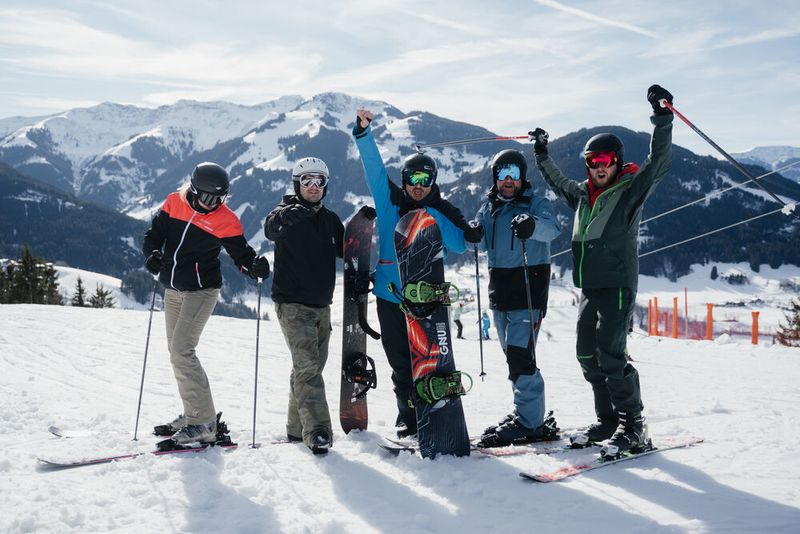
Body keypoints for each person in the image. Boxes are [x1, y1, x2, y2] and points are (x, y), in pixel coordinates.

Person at [532, 84, 674, 455]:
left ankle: (634, 425)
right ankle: (608, 420)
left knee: (611, 355)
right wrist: (542, 154)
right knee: (585, 353)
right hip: (590, 287)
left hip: (617, 287)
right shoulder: (581, 196)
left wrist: (662, 117)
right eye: (593, 162)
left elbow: (658, 164)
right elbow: (558, 181)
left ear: (616, 161)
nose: (599, 167)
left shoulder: (629, 192)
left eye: (605, 161)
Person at [352, 109, 484, 438]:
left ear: (433, 182)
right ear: (405, 180)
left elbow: (458, 244)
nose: (418, 186)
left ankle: (433, 412)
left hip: (426, 304)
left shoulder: (439, 213)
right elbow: (375, 171)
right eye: (412, 180)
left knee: (427, 364)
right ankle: (408, 417)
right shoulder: (389, 203)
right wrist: (364, 134)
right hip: (389, 297)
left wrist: (471, 235)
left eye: (425, 180)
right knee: (400, 365)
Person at [143, 162, 270, 445]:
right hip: (172, 290)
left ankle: (203, 424)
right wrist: (152, 254)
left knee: (182, 350)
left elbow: (242, 256)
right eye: (207, 197)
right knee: (176, 352)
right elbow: (154, 236)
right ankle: (193, 414)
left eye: (219, 199)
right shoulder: (174, 203)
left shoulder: (225, 220)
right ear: (193, 189)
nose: (212, 204)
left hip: (201, 291)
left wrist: (254, 268)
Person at [473, 149, 561, 447]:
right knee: (513, 358)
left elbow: (552, 230)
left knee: (521, 358)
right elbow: (480, 240)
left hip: (528, 291)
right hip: (500, 293)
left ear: (522, 176)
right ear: (495, 178)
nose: (508, 180)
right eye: (502, 173)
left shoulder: (537, 204)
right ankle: (526, 413)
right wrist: (472, 233)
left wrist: (532, 225)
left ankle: (531, 423)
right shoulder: (488, 209)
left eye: (513, 173)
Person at [265, 157, 344, 455]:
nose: (313, 187)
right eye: (307, 181)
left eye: (319, 181)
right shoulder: (284, 214)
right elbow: (270, 229)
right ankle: (318, 432)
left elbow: (348, 251)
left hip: (322, 305)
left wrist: (363, 225)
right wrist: (288, 216)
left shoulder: (331, 220)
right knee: (309, 369)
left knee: (307, 368)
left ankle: (296, 429)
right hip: (293, 305)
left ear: (325, 186)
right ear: (296, 185)